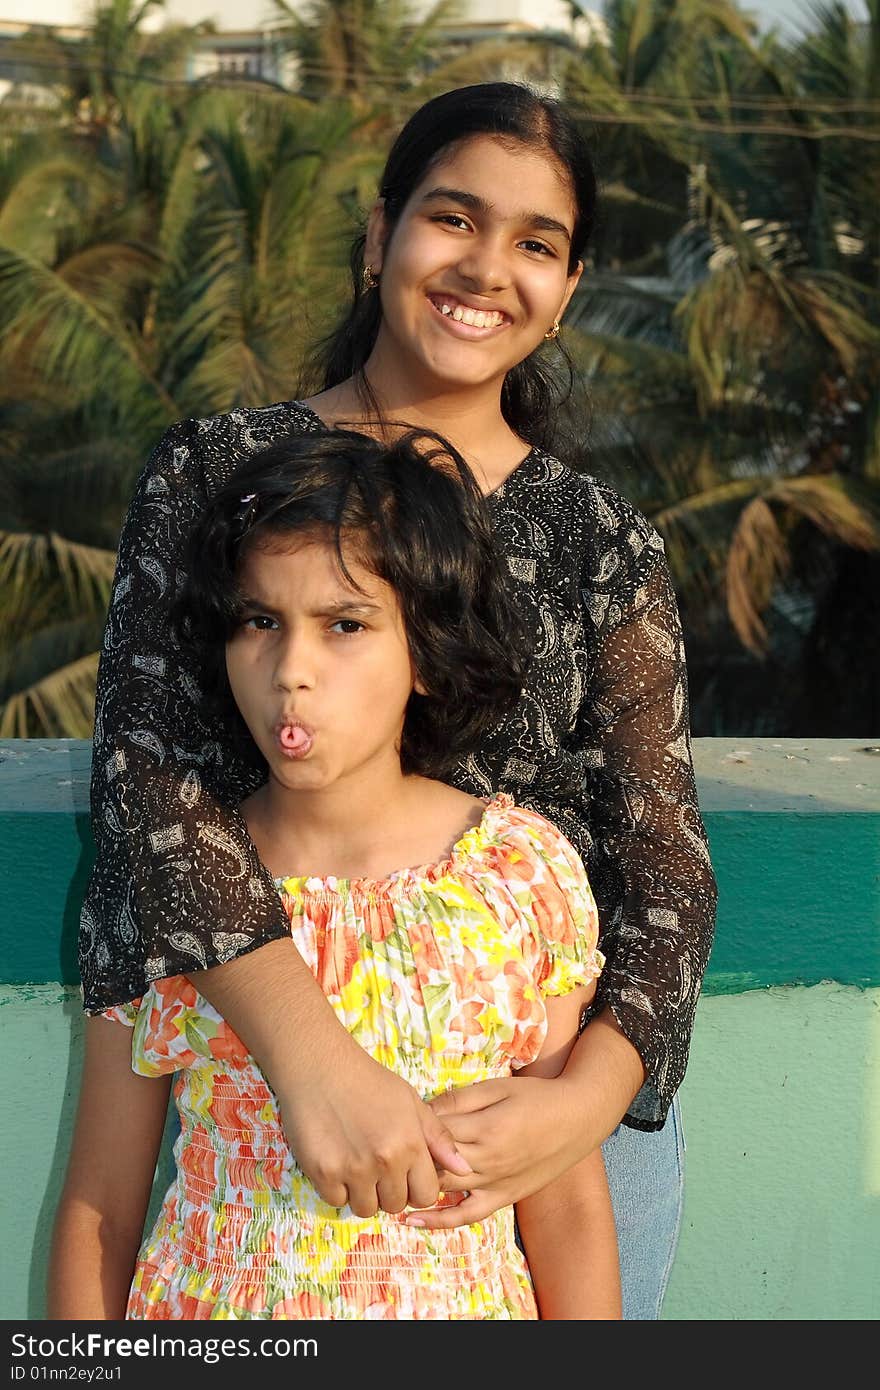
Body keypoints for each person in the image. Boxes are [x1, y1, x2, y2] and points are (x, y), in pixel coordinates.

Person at [75, 82, 717, 1319]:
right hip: (263, 1111)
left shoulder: (603, 545)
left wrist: (575, 1106)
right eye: (453, 219)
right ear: (381, 239)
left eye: (536, 243)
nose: (486, 267)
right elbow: (148, 783)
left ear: (569, 286)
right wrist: (316, 1061)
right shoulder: (220, 473)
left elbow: (667, 867)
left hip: (550, 1141)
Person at [49, 428, 620, 1320]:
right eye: (259, 621)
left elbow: (568, 1207)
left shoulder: (518, 874)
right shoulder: (170, 892)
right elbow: (102, 1207)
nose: (291, 672)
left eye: (345, 625)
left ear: (426, 653)